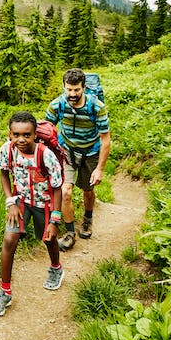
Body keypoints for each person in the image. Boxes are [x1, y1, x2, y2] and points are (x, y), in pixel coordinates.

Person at [0, 111, 64, 317]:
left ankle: (56, 267)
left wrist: (54, 220)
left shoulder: (45, 154)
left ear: (35, 135)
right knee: (9, 240)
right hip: (20, 201)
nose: (21, 139)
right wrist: (10, 202)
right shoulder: (7, 150)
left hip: (44, 203)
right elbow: (3, 172)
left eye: (26, 135)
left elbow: (57, 187)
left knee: (48, 239)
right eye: (16, 134)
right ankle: (5, 292)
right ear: (10, 134)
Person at [45, 68, 111, 251]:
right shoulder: (57, 105)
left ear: (83, 88)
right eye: (69, 90)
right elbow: (47, 129)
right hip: (67, 152)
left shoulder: (96, 107)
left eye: (76, 90)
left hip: (90, 152)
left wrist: (99, 169)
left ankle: (88, 219)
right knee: (65, 192)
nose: (72, 94)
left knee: (87, 190)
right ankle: (69, 232)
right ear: (64, 87)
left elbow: (106, 139)